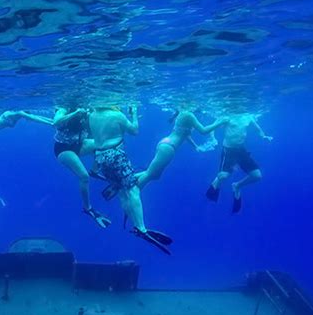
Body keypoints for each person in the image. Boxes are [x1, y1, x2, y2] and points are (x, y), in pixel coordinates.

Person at [88, 106, 172, 254]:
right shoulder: (117, 115)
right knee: (133, 190)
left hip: (100, 157)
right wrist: (133, 116)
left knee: (121, 191)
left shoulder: (92, 114)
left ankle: (134, 222)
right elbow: (134, 130)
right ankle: (141, 228)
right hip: (116, 155)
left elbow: (102, 132)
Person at [137, 109, 229, 189]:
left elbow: (185, 134)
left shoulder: (183, 114)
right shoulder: (188, 115)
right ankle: (132, 191)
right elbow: (203, 131)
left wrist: (195, 146)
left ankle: (128, 180)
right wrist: (220, 122)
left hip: (166, 144)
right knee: (149, 174)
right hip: (168, 148)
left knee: (155, 175)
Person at [53, 107, 111, 229]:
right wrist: (75, 113)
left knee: (104, 144)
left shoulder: (88, 111)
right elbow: (55, 123)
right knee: (84, 176)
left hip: (78, 145)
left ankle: (95, 171)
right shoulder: (64, 110)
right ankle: (87, 208)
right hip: (63, 149)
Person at [206, 113, 273, 213]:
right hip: (228, 151)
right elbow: (212, 127)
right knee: (223, 176)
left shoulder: (247, 116)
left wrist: (263, 136)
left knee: (257, 175)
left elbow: (257, 128)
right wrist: (213, 139)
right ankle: (216, 182)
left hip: (241, 151)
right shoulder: (227, 115)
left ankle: (237, 186)